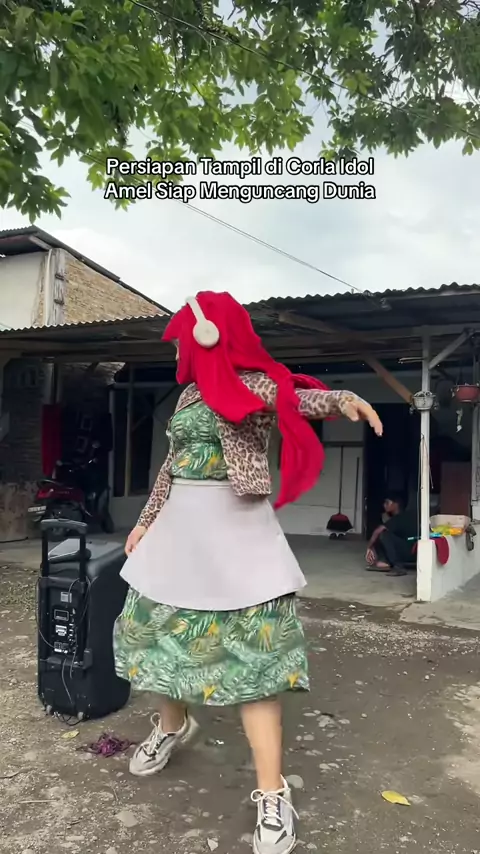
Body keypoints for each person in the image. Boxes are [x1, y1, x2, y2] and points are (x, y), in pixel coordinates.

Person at [113, 292, 383, 854]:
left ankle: (273, 792)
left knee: (254, 660)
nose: (181, 350)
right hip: (178, 536)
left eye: (185, 339)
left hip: (238, 537)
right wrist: (144, 520)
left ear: (212, 335)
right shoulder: (189, 394)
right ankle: (172, 726)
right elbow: (170, 467)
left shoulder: (249, 385)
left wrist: (342, 399)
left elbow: (296, 398)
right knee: (160, 638)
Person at [366, 494, 417, 575]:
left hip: (411, 551)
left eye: (387, 502)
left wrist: (369, 547)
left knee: (383, 535)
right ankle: (384, 562)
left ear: (396, 505)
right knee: (381, 537)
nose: (384, 505)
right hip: (413, 552)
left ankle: (398, 566)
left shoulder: (399, 518)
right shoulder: (405, 516)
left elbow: (378, 531)